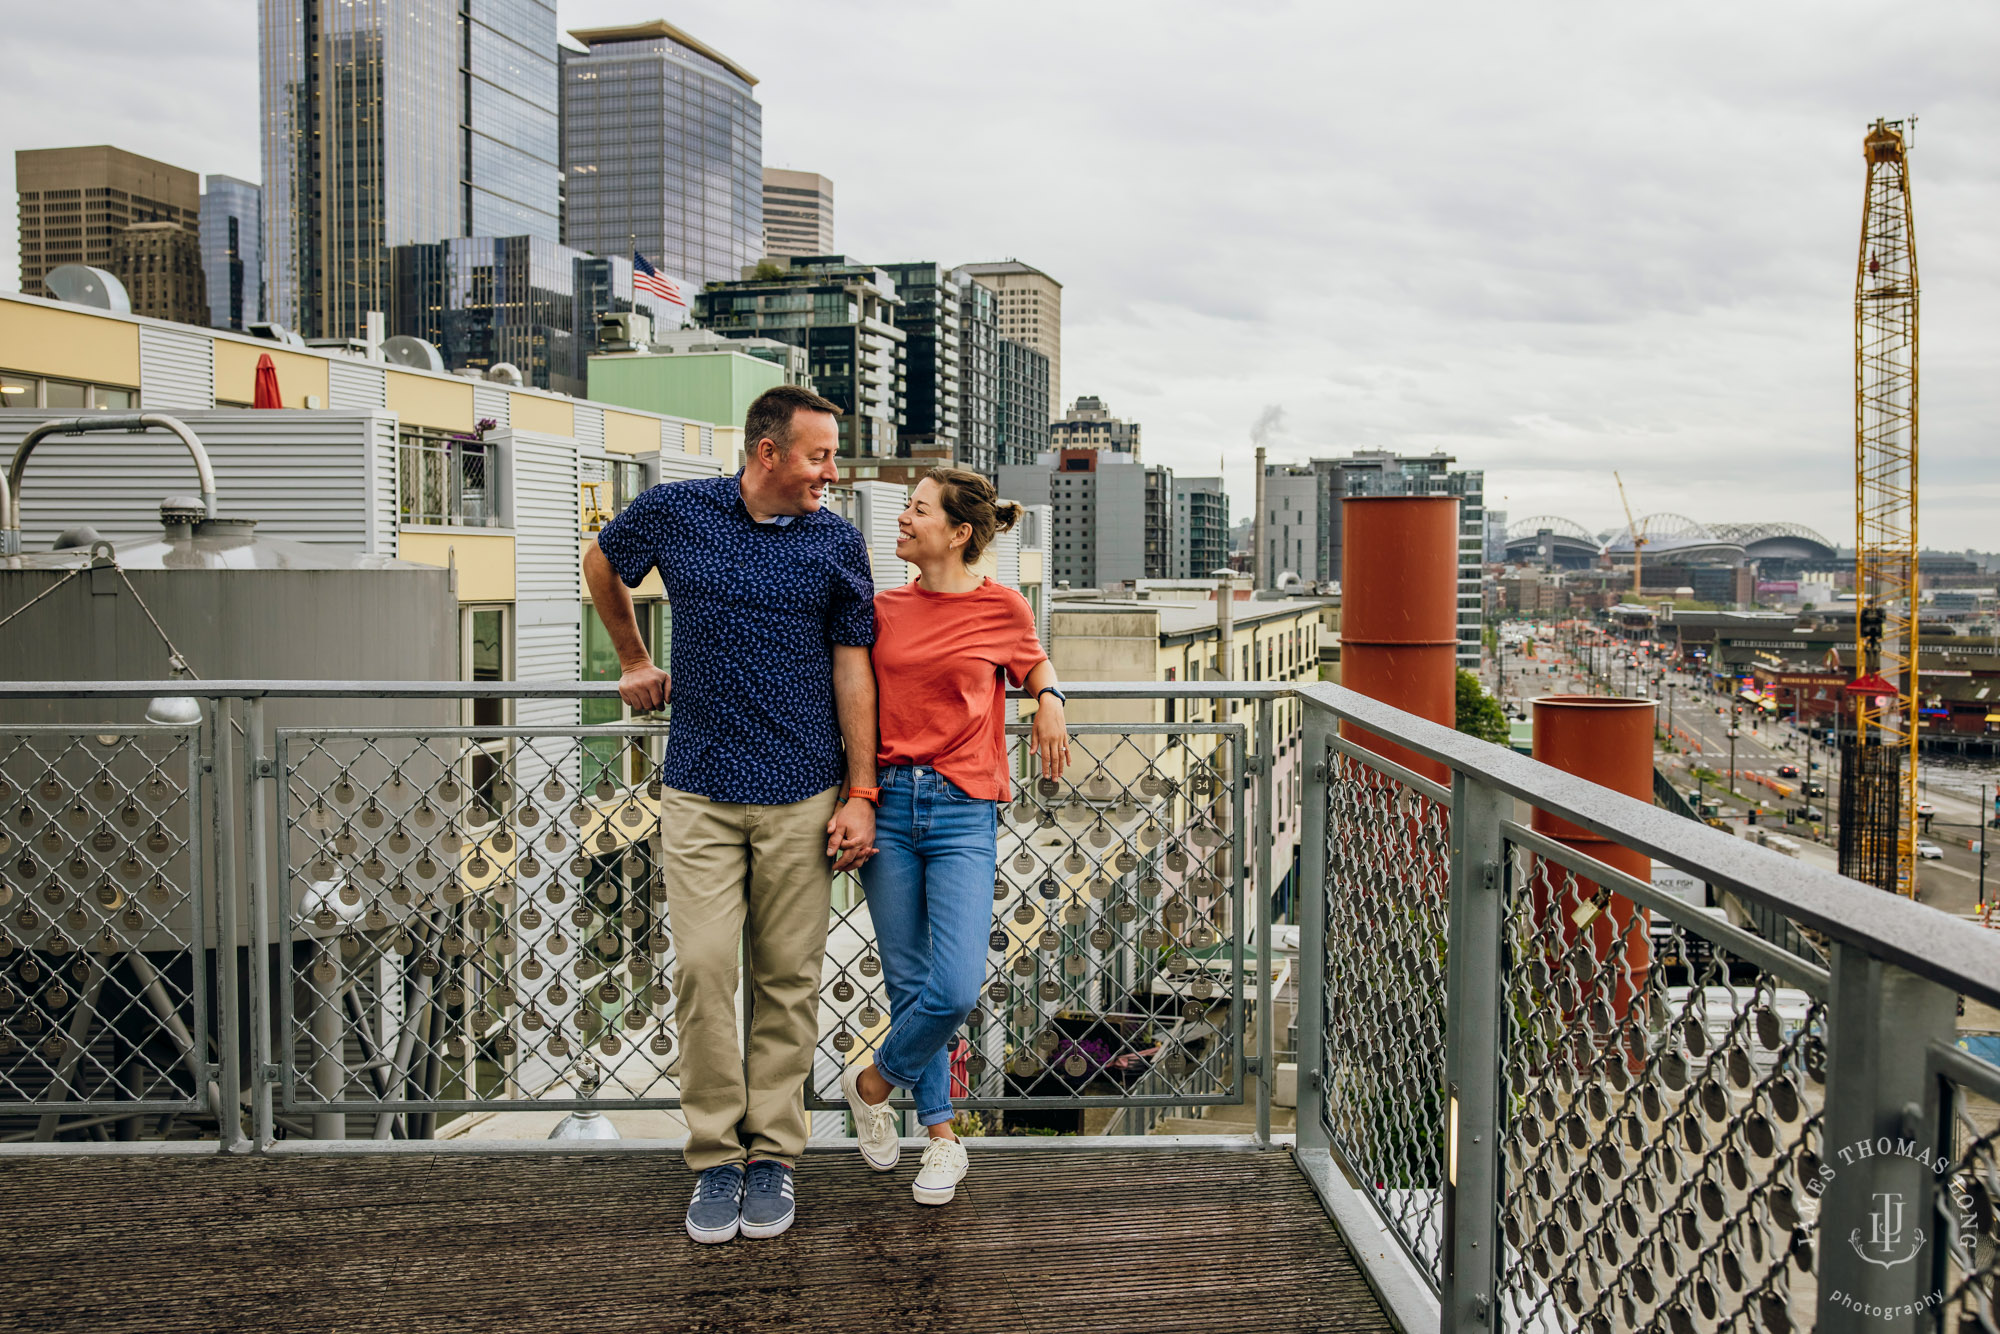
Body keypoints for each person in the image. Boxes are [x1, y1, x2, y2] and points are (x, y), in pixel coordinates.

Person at [586, 384, 880, 1245]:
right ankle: (716, 1157)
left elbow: (854, 668)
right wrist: (634, 657)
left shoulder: (837, 539)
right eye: (820, 455)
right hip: (703, 788)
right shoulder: (676, 512)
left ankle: (775, 1157)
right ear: (768, 454)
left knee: (788, 981)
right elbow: (603, 560)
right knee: (707, 971)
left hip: (804, 790)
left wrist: (860, 793)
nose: (832, 471)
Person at [840, 467, 1069, 1205]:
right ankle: (941, 1138)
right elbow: (856, 701)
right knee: (910, 982)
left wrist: (1051, 701)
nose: (902, 519)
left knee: (955, 986)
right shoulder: (882, 609)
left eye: (916, 510)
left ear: (958, 532)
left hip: (964, 806)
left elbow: (1032, 662)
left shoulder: (1002, 604)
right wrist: (859, 795)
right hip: (889, 804)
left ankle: (873, 1083)